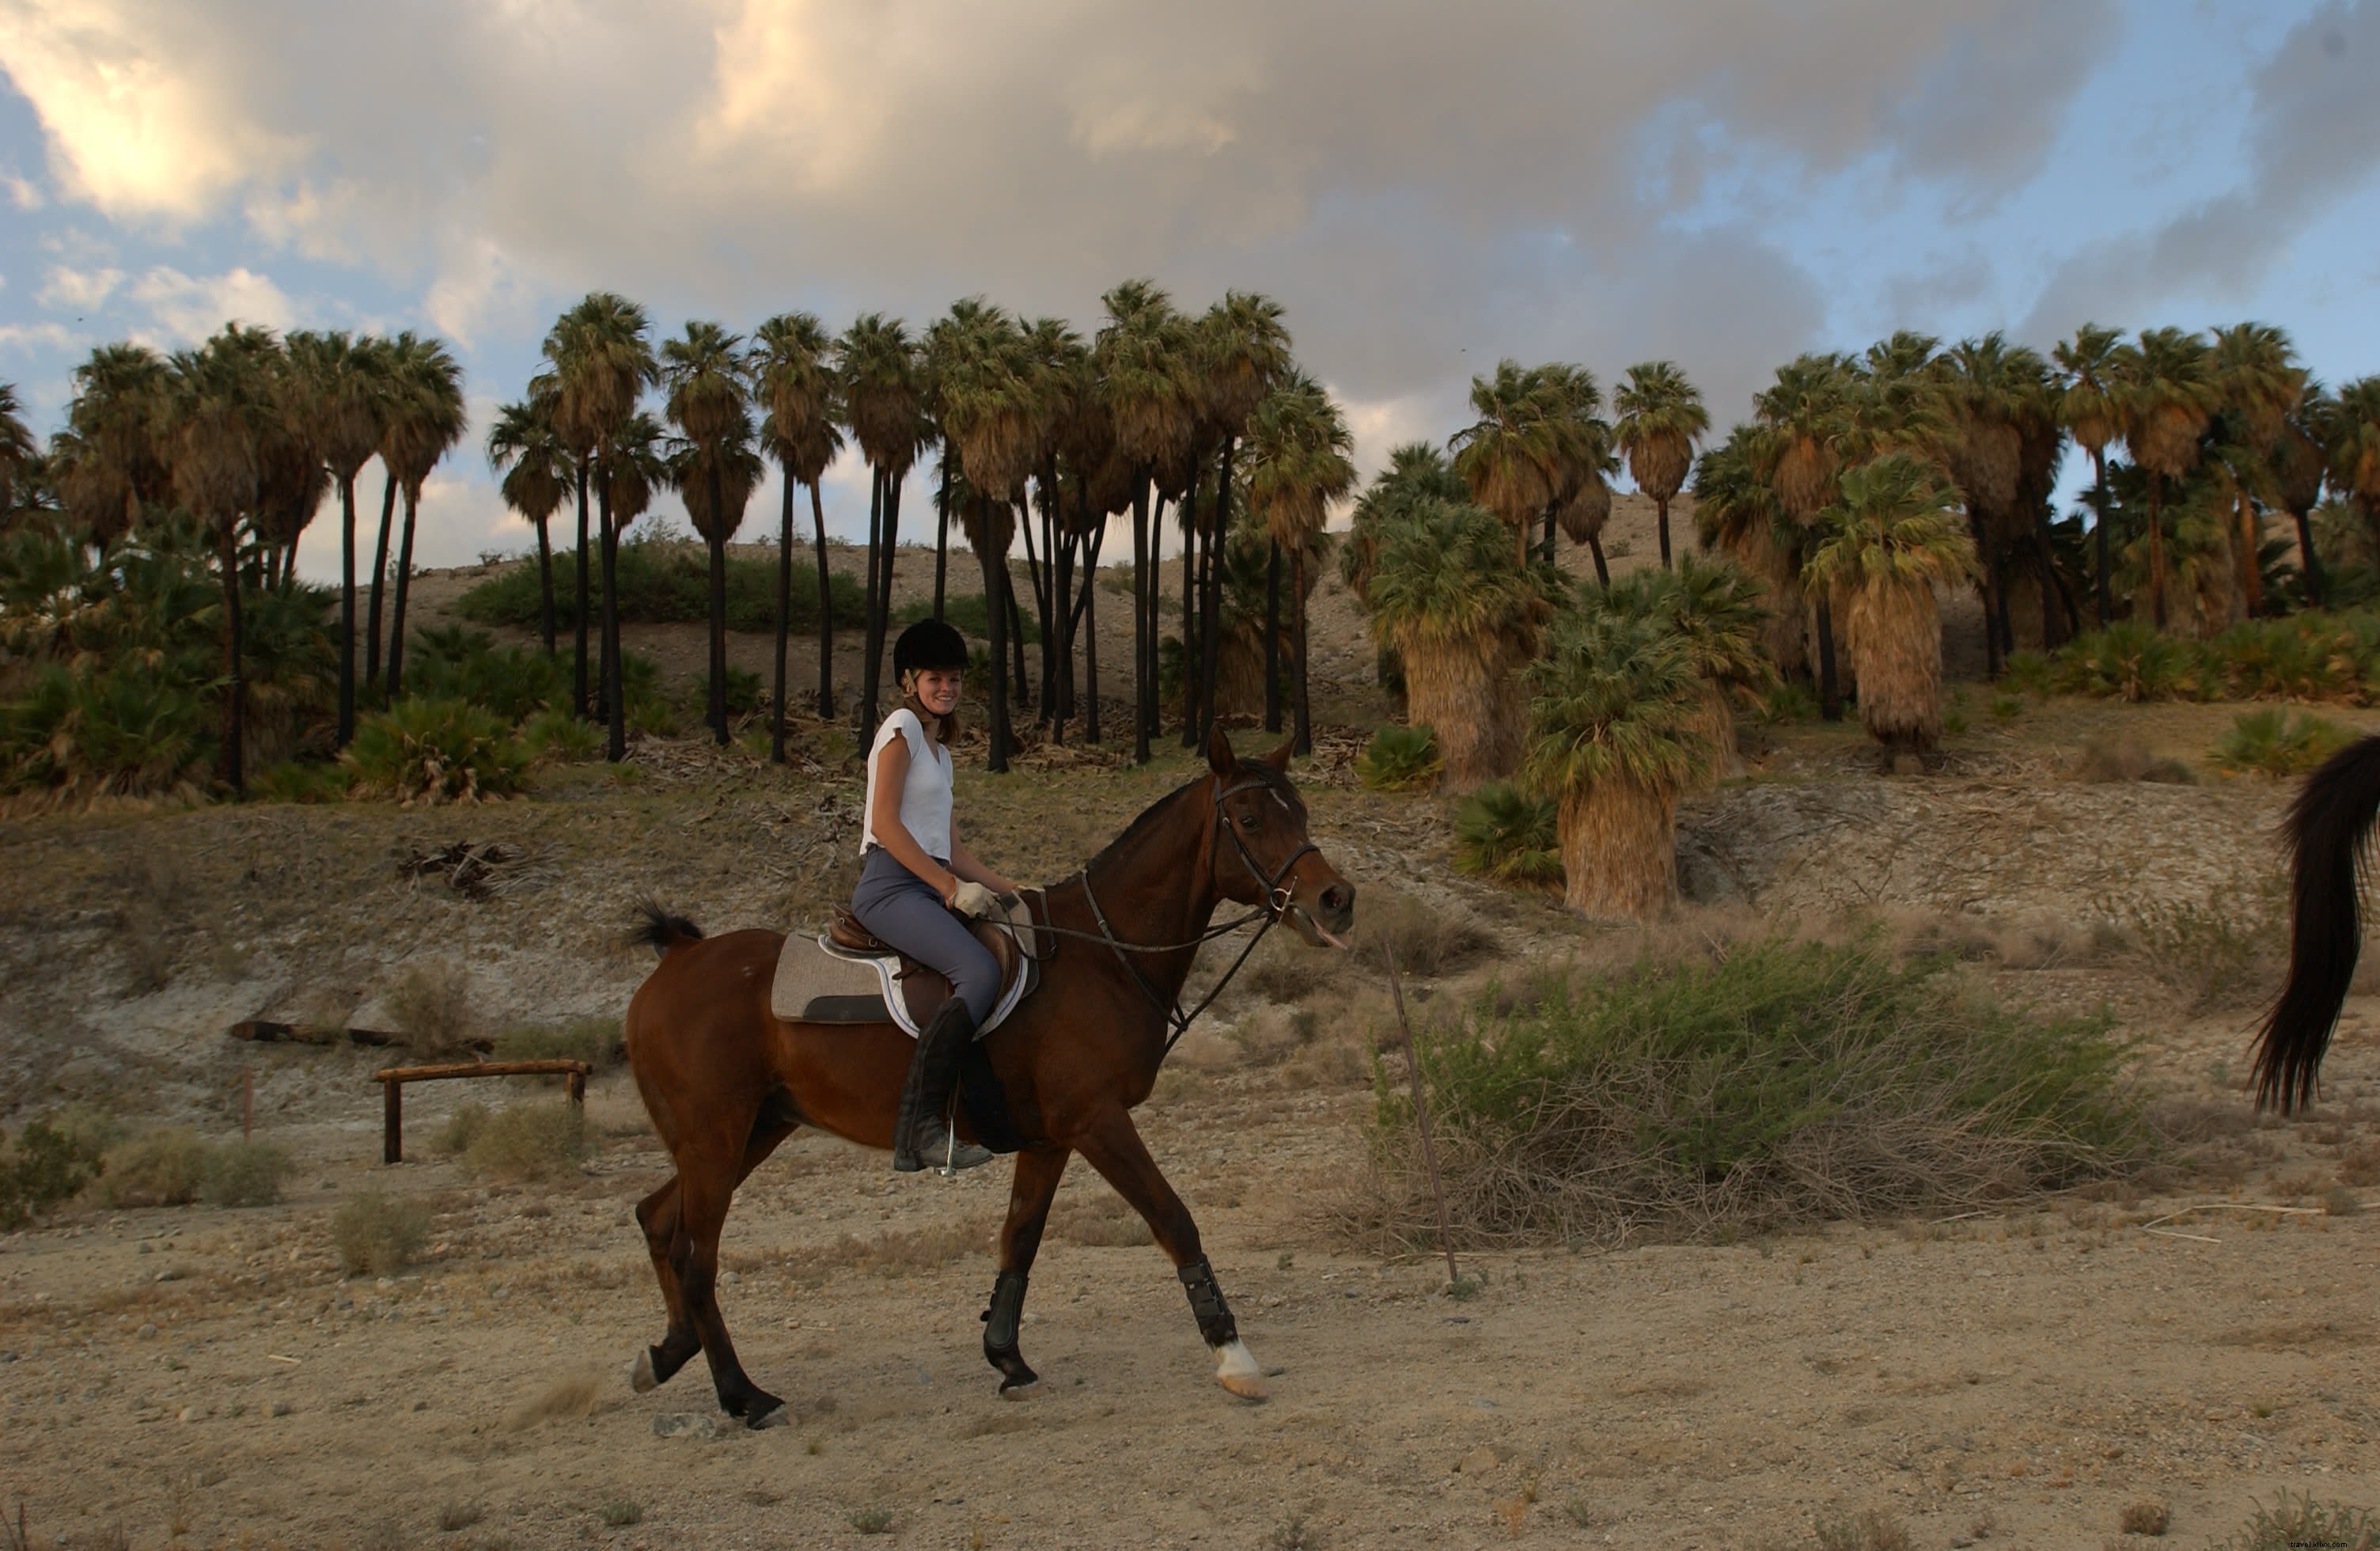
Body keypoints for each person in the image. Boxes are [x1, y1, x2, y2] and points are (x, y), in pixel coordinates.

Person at [854, 618, 1021, 1173]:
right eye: (935, 678)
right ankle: (921, 1128)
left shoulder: (942, 756)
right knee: (978, 970)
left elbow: (955, 852)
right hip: (890, 886)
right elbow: (884, 823)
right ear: (909, 682)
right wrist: (948, 887)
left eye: (954, 678)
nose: (946, 688)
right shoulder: (900, 728)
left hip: (929, 885)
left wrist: (1013, 891)